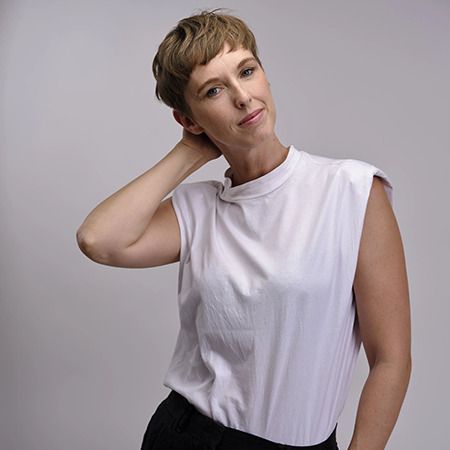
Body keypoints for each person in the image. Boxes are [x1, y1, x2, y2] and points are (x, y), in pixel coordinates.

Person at [76, 8, 412, 450]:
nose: (242, 97)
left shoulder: (352, 190)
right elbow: (98, 240)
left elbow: (391, 359)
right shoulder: (197, 209)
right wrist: (191, 151)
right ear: (189, 119)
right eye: (214, 90)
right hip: (188, 436)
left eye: (247, 71)